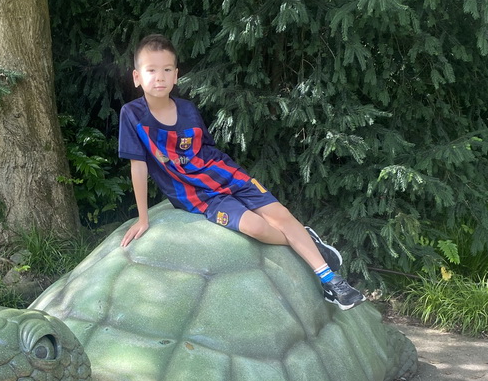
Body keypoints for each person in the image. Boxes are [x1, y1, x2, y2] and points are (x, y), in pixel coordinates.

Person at [117, 34, 365, 310]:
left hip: (226, 174)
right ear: (137, 77)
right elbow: (138, 166)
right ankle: (308, 244)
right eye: (151, 70)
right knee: (257, 228)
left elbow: (207, 149)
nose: (159, 77)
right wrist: (142, 218)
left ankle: (331, 281)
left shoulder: (188, 109)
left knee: (281, 216)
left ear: (176, 76)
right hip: (198, 195)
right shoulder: (132, 114)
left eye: (166, 70)